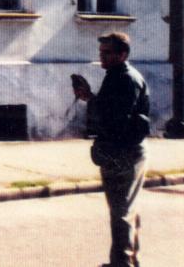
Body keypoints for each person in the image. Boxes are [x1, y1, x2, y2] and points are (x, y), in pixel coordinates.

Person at [71, 31, 150, 267]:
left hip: (124, 151)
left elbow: (117, 119)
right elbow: (111, 110)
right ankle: (128, 259)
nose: (102, 57)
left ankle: (122, 263)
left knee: (120, 209)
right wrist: (90, 97)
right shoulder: (116, 75)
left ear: (122, 54)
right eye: (101, 52)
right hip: (122, 149)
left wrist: (91, 101)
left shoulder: (126, 79)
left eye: (107, 53)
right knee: (125, 207)